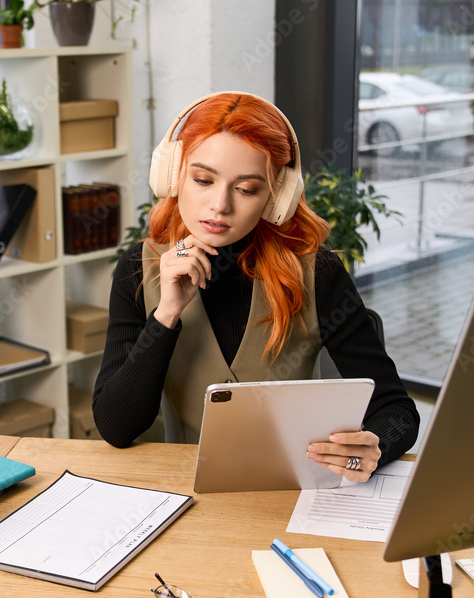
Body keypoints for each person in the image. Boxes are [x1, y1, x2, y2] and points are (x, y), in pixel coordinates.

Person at [92, 91, 419, 482]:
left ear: (275, 197)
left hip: (293, 491)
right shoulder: (138, 267)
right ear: (173, 175)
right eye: (202, 179)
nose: (219, 205)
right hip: (187, 496)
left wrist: (372, 447)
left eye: (246, 189)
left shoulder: (318, 272)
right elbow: (115, 427)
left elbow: (397, 410)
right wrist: (166, 315)